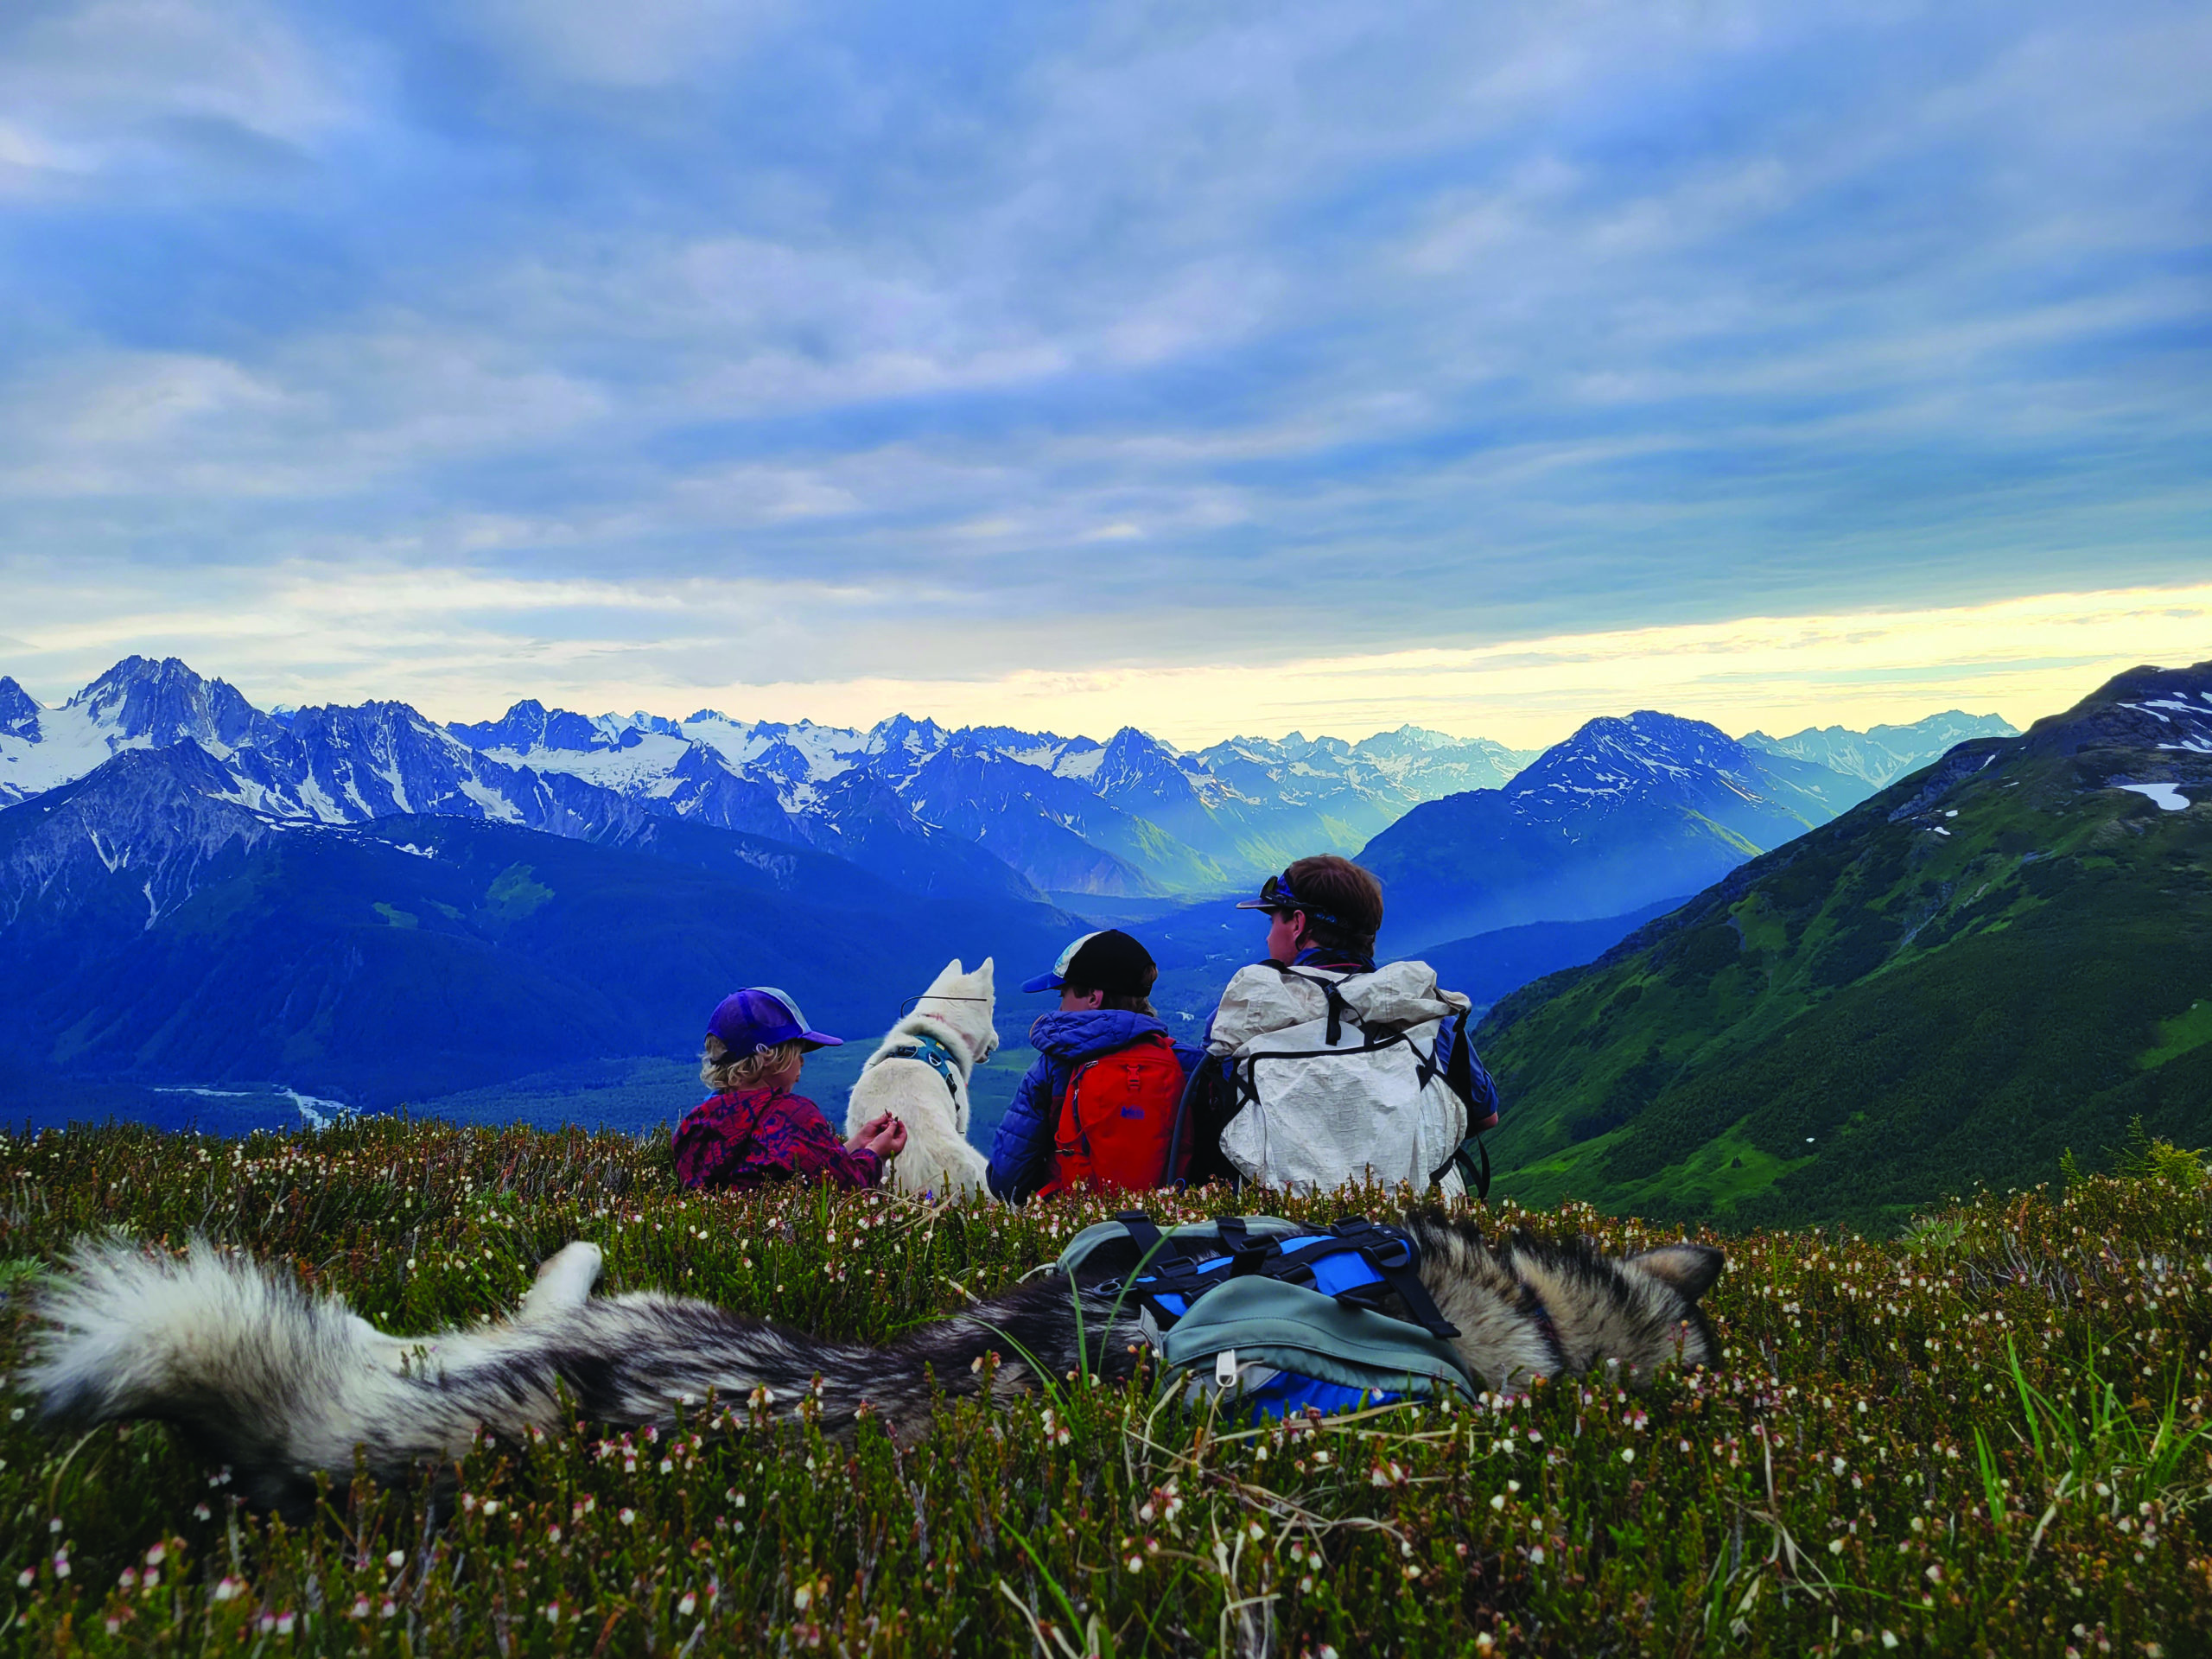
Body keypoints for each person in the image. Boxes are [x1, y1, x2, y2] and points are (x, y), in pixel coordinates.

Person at [1179, 855, 1500, 1192]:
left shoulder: (1243, 1013)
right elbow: (1485, 1116)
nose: (1268, 937)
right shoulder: (1424, 1011)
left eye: (1273, 920)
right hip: (1413, 1227)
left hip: (1280, 1226)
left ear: (1298, 924)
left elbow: (1212, 1115)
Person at [986, 930, 1201, 1203]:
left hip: (1078, 1235)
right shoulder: (1186, 1064)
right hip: (1171, 1231)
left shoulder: (1052, 1067)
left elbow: (1007, 1182)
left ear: (1093, 997)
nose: (1061, 1008)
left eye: (1063, 994)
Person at [673, 987, 907, 1191]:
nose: (802, 1062)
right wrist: (876, 1152)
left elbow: (789, 1165)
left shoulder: (696, 1125)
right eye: (797, 1051)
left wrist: (856, 1144)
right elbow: (846, 1186)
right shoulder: (793, 1117)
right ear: (770, 1057)